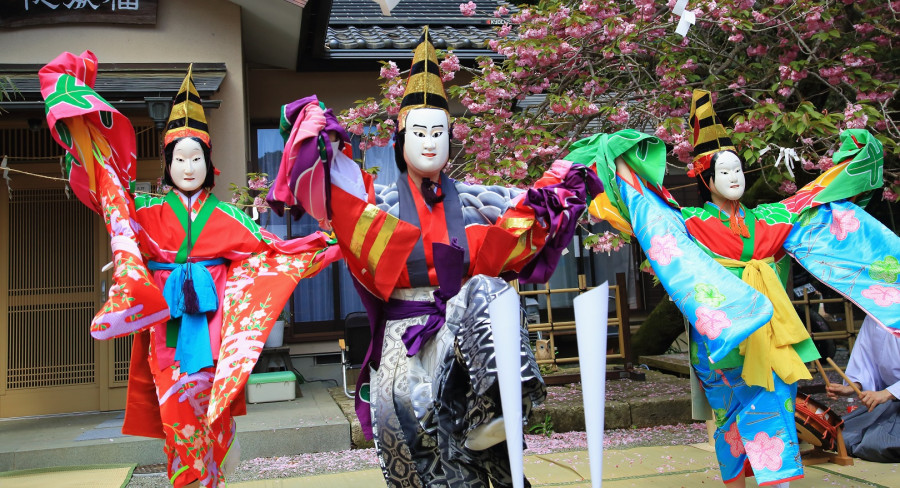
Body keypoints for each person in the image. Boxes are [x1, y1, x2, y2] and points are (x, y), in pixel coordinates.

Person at [267, 28, 603, 488]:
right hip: (405, 345)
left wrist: (584, 166)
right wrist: (313, 132)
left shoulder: (481, 201)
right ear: (400, 139)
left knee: (489, 290)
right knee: (427, 470)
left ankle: (500, 406)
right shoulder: (378, 203)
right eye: (419, 132)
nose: (429, 142)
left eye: (439, 132)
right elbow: (333, 189)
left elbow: (538, 206)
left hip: (465, 339)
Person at [566, 89, 900, 487]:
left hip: (767, 331)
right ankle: (739, 482)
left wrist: (855, 160)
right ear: (706, 180)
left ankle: (778, 481)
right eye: (724, 172)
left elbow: (814, 198)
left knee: (773, 402)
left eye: (739, 169)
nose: (734, 177)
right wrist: (619, 158)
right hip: (720, 335)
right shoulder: (689, 222)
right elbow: (648, 207)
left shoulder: (771, 216)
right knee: (728, 416)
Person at [39, 51, 340, 488]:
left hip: (216, 338)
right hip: (168, 335)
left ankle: (213, 478)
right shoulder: (144, 210)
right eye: (179, 158)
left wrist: (332, 242)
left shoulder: (229, 218)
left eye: (195, 158)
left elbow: (274, 251)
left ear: (208, 164)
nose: (188, 166)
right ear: (166, 164)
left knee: (215, 425)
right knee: (178, 425)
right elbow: (110, 203)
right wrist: (87, 145)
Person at [826, 315, 900, 462]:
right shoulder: (875, 313)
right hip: (891, 403)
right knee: (840, 434)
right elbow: (866, 360)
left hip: (891, 396)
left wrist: (887, 393)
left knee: (878, 444)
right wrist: (853, 386)